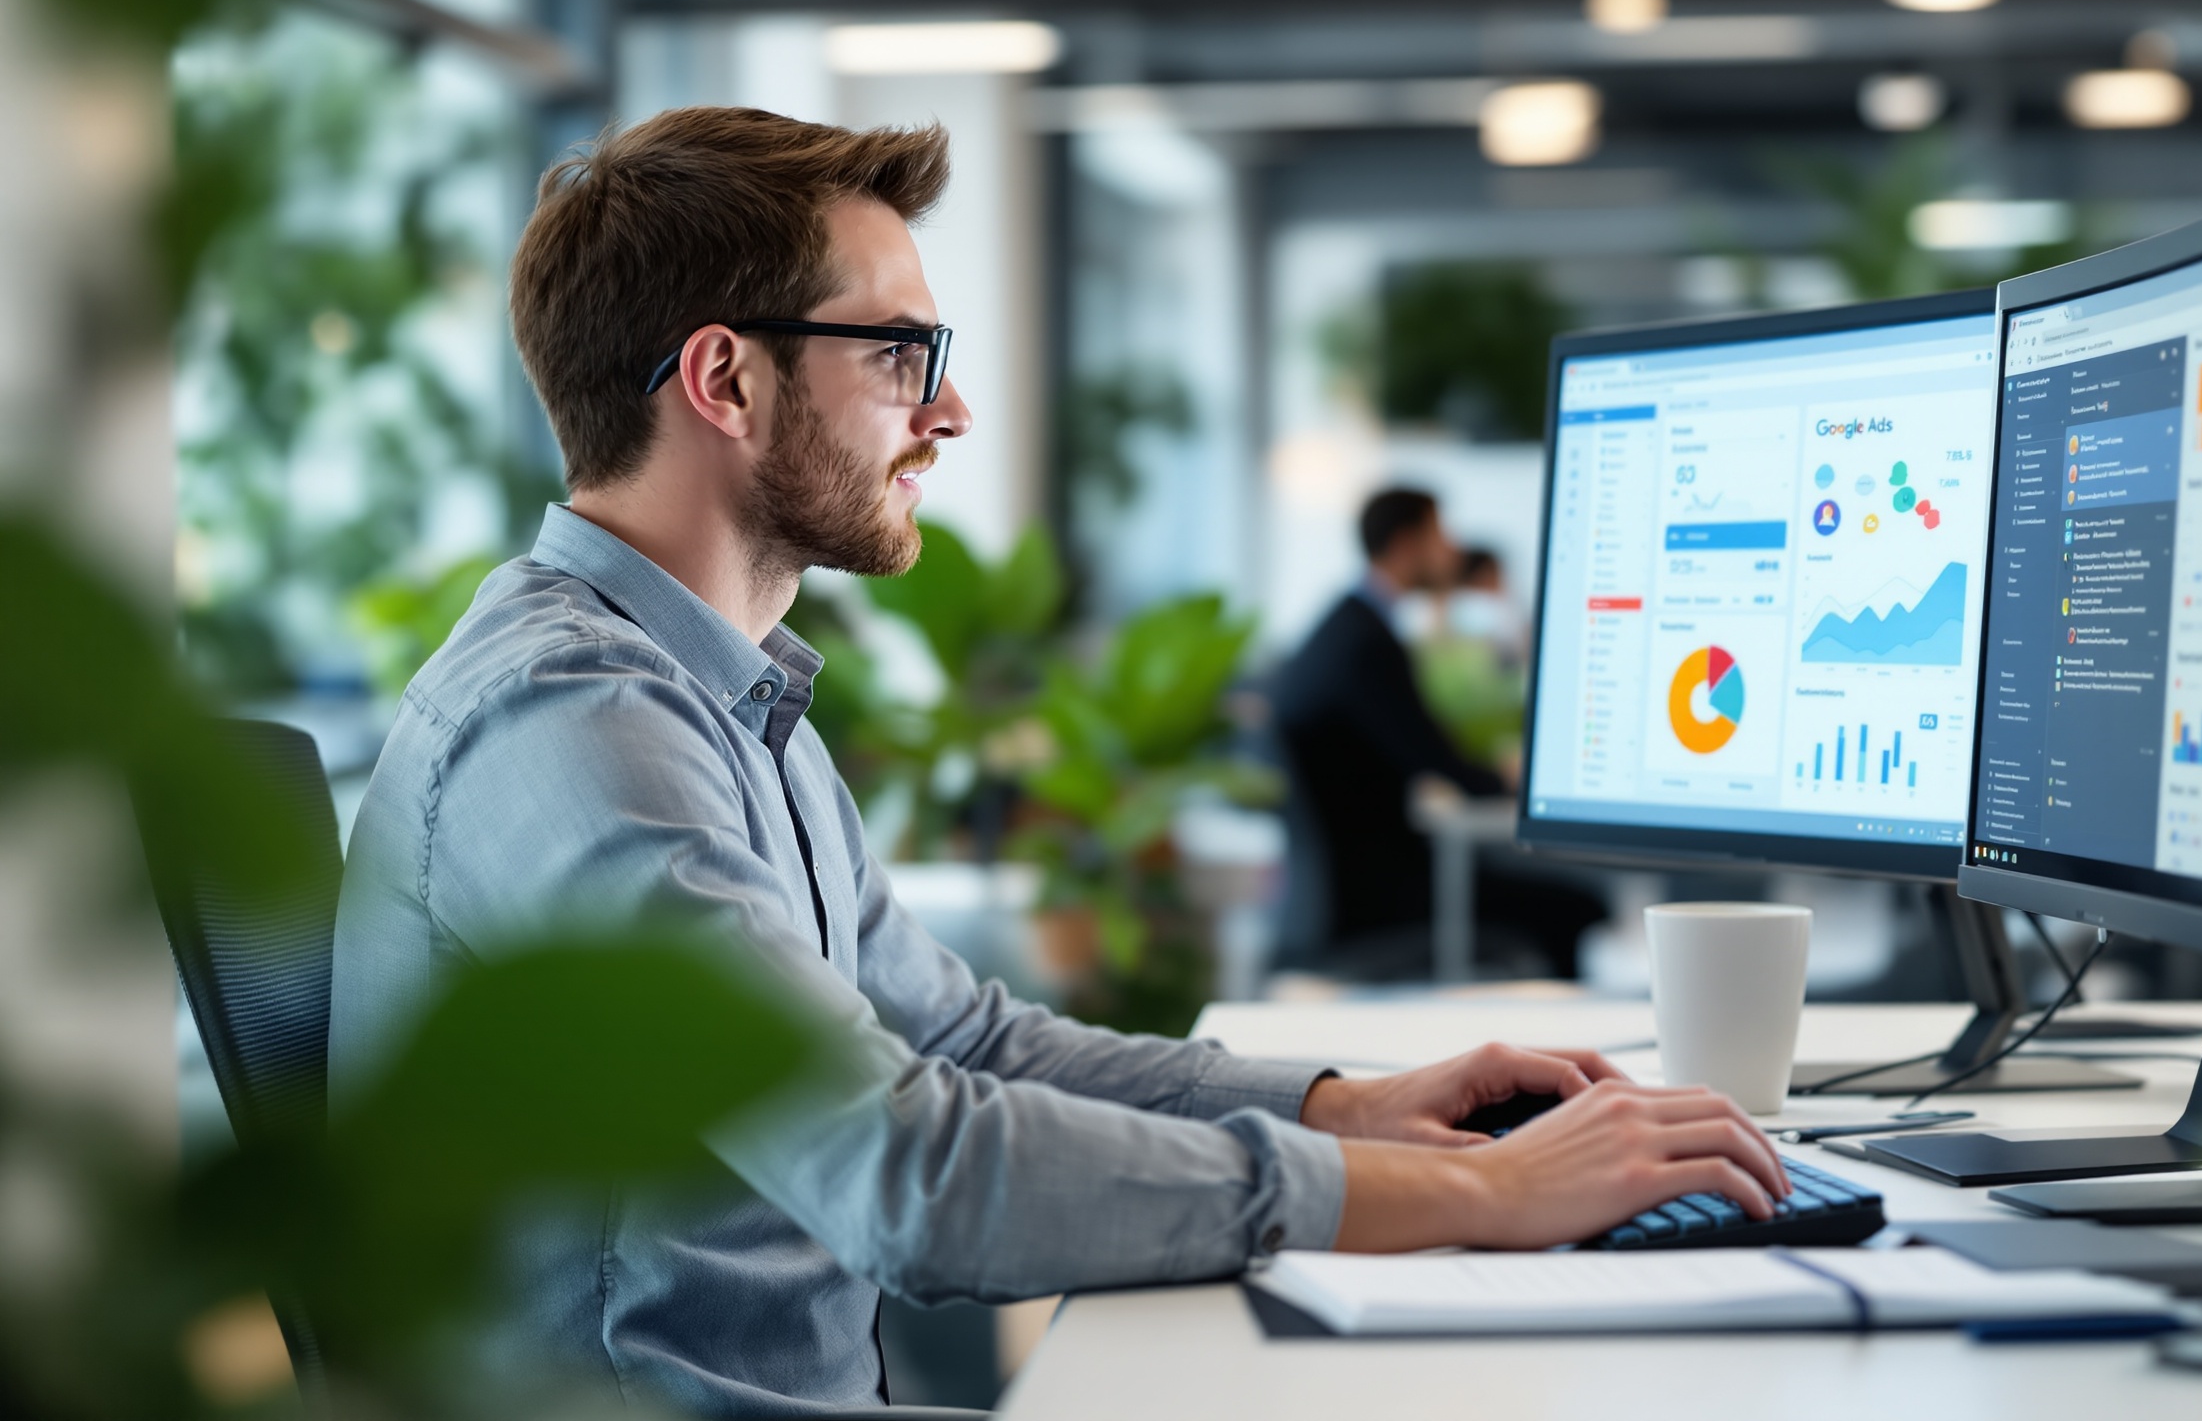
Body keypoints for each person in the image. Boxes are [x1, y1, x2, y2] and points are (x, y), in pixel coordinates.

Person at [328, 108, 1786, 1414]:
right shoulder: (575, 719)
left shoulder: (720, 699)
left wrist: (1345, 1107)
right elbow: (911, 1176)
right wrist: (1474, 1191)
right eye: (901, 354)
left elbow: (966, 1047)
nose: (948, 412)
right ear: (725, 380)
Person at [1276, 492, 1602, 978]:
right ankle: (1557, 1051)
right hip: (1380, 894)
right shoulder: (1367, 644)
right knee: (1576, 906)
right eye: (1441, 535)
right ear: (1408, 544)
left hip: (1343, 888)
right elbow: (1435, 759)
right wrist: (1518, 781)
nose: (1452, 551)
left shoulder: (1343, 625)